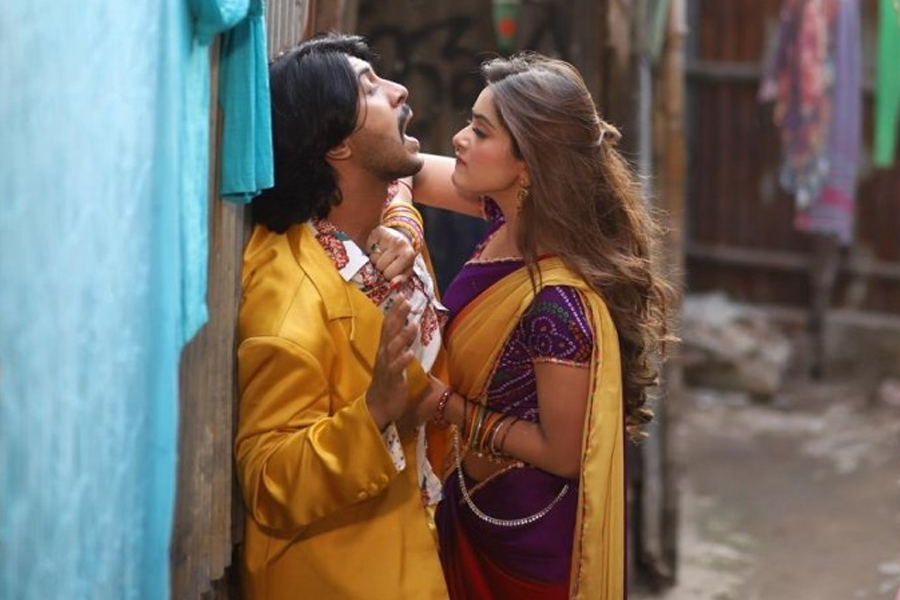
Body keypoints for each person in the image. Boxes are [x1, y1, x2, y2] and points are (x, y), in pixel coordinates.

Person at [400, 53, 674, 599]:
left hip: (522, 540)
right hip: (472, 505)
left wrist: (445, 405)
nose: (458, 138)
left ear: (528, 164)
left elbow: (562, 453)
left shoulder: (558, 304)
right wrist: (395, 219)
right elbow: (405, 171)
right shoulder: (507, 221)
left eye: (480, 131)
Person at [233, 34, 450, 600]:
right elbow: (267, 480)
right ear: (337, 146)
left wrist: (404, 220)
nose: (399, 90)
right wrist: (374, 409)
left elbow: (411, 183)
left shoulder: (381, 238)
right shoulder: (291, 305)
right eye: (369, 88)